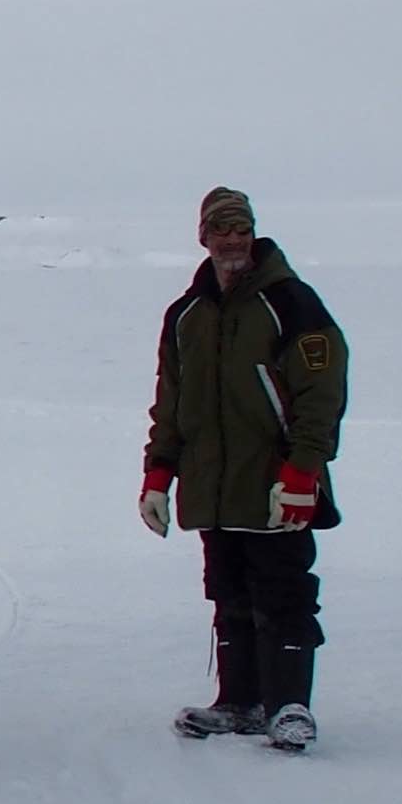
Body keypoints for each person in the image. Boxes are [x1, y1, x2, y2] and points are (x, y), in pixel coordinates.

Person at [141, 183, 345, 752]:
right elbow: (171, 401)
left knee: (284, 593)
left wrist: (302, 473)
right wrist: (159, 475)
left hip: (276, 484)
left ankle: (289, 706)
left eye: (241, 228)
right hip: (214, 486)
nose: (232, 238)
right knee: (228, 592)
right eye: (221, 229)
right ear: (202, 236)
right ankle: (239, 703)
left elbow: (321, 395)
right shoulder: (186, 315)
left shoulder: (292, 303)